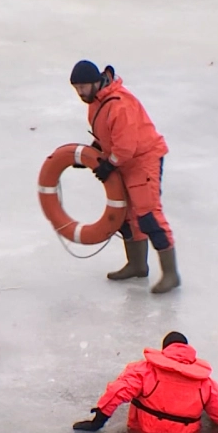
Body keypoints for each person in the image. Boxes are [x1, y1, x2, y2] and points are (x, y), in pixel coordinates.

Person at [69, 60, 181, 294]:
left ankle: (171, 274)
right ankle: (137, 265)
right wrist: (93, 155)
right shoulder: (96, 102)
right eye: (76, 87)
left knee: (148, 215)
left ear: (95, 81)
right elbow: (106, 135)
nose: (80, 92)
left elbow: (126, 147)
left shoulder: (119, 104)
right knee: (126, 216)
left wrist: (109, 165)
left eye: (83, 87)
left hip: (143, 160)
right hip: (124, 160)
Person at [72, 332, 218, 433]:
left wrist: (97, 423)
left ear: (164, 349)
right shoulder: (206, 383)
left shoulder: (145, 370)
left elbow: (117, 392)